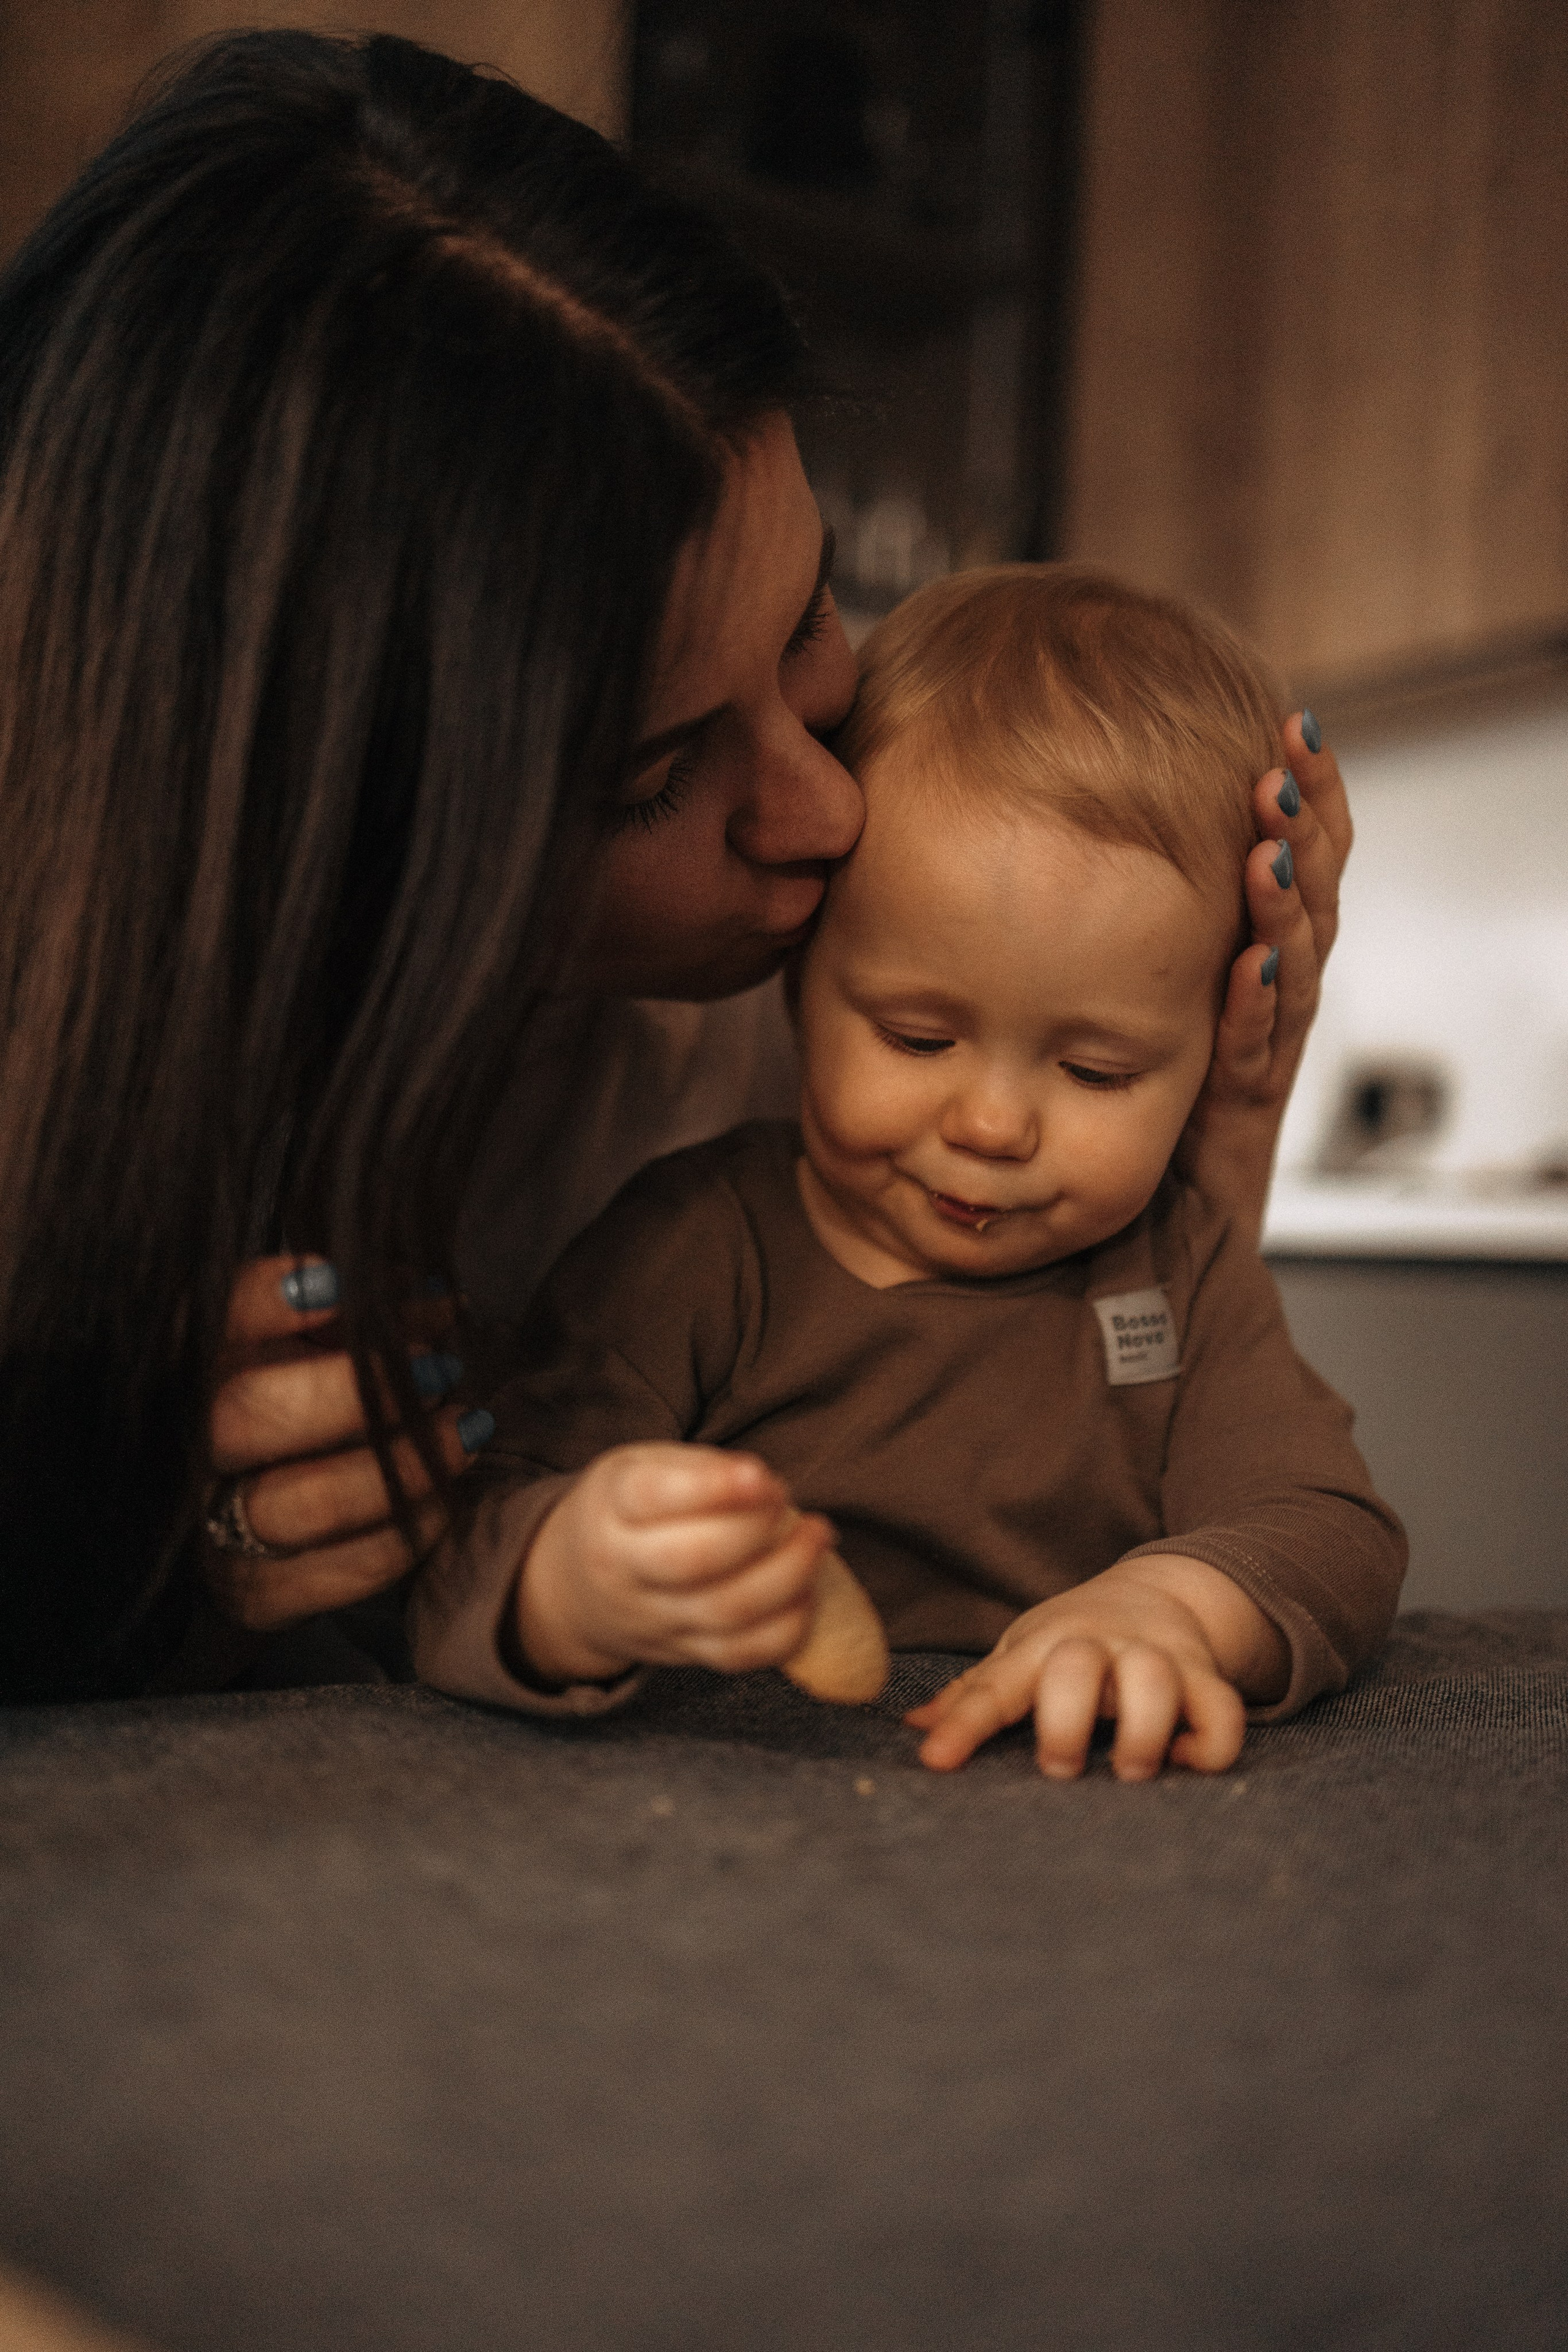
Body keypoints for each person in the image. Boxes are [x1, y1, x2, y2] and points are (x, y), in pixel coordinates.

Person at [0, 31, 1348, 1705]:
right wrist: (103, 1540)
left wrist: (1198, 1154)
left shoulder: (797, 975)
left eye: (807, 619)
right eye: (649, 775)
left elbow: (1182, 1448)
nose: (825, 816)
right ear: (341, 852)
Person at [409, 567, 1404, 1781]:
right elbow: (467, 1546)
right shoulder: (692, 1249)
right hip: (721, 1825)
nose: (990, 1124)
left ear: (1214, 1046)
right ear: (798, 986)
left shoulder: (1177, 1270)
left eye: (1094, 1070)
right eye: (917, 1038)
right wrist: (565, 1580)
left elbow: (1325, 1526)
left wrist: (1169, 1610)